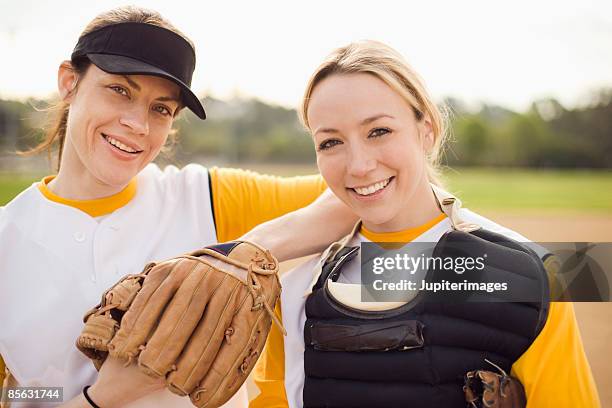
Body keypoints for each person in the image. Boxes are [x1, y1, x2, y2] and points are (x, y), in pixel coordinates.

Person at [0, 6, 357, 408]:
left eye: (161, 109)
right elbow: (18, 394)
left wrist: (239, 253)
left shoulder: (207, 197)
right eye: (120, 90)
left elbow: (360, 190)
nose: (138, 124)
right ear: (69, 81)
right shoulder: (7, 239)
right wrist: (98, 397)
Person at [251, 40, 601, 407]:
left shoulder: (530, 278)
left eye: (379, 131)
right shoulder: (294, 296)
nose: (358, 165)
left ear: (427, 130)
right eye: (330, 142)